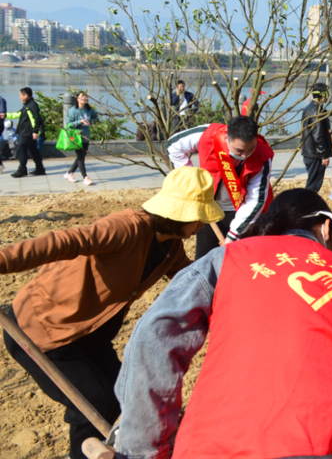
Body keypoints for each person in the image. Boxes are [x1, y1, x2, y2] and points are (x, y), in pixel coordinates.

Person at [113, 188, 332, 459]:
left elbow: (155, 334)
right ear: (327, 228)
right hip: (326, 445)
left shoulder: (225, 258)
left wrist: (140, 449)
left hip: (217, 443)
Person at [1, 167, 218, 459]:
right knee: (93, 402)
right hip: (46, 328)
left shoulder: (171, 249)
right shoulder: (126, 227)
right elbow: (64, 241)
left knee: (125, 395)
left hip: (91, 336)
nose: (203, 225)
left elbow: (194, 282)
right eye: (199, 217)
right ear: (177, 213)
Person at [167, 115, 274, 259]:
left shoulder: (262, 155)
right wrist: (190, 178)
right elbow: (174, 146)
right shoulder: (207, 135)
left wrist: (233, 235)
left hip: (240, 211)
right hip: (209, 207)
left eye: (250, 149)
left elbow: (255, 199)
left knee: (241, 260)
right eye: (239, 151)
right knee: (205, 259)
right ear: (227, 139)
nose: (245, 155)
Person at [300, 82, 332, 192]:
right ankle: (306, 207)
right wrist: (323, 155)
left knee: (312, 183)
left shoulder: (309, 108)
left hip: (309, 153)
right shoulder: (317, 111)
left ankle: (307, 206)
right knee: (313, 186)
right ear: (324, 95)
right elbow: (318, 135)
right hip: (315, 154)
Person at [8, 86, 45, 178]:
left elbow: (36, 119)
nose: (19, 97)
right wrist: (5, 115)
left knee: (20, 149)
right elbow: (18, 114)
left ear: (26, 95)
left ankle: (22, 170)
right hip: (27, 132)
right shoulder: (28, 105)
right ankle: (40, 169)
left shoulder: (32, 106)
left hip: (27, 132)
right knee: (33, 151)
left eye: (20, 95)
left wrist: (35, 131)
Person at [64, 92, 100, 186]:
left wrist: (91, 122)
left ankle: (69, 173)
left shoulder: (88, 110)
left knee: (81, 157)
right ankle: (85, 177)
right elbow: (68, 124)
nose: (84, 98)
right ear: (77, 99)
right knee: (81, 158)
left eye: (85, 97)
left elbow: (95, 117)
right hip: (76, 137)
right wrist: (79, 122)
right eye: (82, 97)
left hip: (86, 136)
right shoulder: (73, 110)